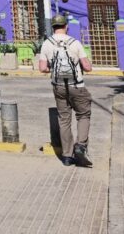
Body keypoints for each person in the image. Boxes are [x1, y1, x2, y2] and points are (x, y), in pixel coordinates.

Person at [37, 14, 94, 168]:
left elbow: (42, 68)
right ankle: (80, 146)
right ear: (66, 26)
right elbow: (87, 67)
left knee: (64, 119)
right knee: (83, 115)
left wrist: (52, 69)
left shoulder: (47, 44)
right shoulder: (75, 43)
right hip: (77, 86)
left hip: (59, 87)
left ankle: (67, 156)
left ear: (53, 27)